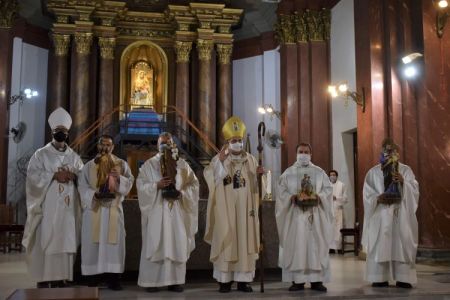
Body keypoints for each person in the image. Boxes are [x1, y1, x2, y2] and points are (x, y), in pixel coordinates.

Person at [22, 107, 84, 288]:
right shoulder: (40, 154)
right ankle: (44, 278)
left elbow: (82, 176)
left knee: (65, 239)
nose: (61, 134)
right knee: (47, 238)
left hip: (68, 208)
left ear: (68, 133)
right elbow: (32, 177)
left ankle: (61, 277)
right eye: (58, 131)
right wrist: (53, 176)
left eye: (64, 132)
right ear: (52, 132)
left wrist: (75, 176)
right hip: (47, 208)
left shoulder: (74, 157)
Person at [204, 116, 265, 293]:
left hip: (247, 211)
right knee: (227, 241)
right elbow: (212, 179)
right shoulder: (219, 160)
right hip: (226, 210)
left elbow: (263, 190)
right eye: (234, 141)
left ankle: (243, 281)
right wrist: (222, 161)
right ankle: (224, 281)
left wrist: (262, 176)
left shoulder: (252, 160)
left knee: (245, 243)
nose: (237, 143)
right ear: (227, 142)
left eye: (239, 140)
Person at [136, 132, 199, 292]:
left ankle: (175, 281)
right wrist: (156, 185)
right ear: (157, 145)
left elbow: (194, 185)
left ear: (174, 144)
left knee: (176, 243)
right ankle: (152, 282)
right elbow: (140, 185)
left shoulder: (182, 165)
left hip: (177, 212)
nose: (165, 145)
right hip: (157, 210)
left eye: (168, 142)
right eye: (162, 143)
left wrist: (182, 193)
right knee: (156, 243)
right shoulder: (149, 165)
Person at [79, 135, 134, 290]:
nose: (105, 147)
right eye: (102, 144)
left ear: (113, 147)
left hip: (113, 209)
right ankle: (92, 278)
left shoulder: (121, 164)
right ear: (98, 146)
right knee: (93, 245)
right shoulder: (89, 166)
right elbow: (82, 186)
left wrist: (119, 179)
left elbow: (129, 183)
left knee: (114, 246)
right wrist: (93, 195)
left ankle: (114, 279)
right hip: (95, 209)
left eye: (108, 145)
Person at [362, 138, 419, 288]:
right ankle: (379, 277)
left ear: (397, 153)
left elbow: (414, 190)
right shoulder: (373, 172)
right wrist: (377, 198)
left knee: (401, 243)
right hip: (381, 213)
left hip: (400, 214)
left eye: (392, 150)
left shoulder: (405, 170)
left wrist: (403, 182)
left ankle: (403, 277)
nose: (389, 153)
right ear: (381, 152)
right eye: (386, 150)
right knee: (381, 243)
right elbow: (367, 194)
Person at [276, 143, 333, 292]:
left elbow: (328, 190)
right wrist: (291, 197)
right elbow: (281, 193)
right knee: (298, 246)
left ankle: (317, 281)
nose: (303, 154)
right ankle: (298, 281)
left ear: (311, 154)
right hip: (296, 216)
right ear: (296, 154)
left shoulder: (319, 172)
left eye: (306, 152)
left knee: (316, 246)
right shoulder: (288, 173)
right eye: (300, 152)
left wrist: (319, 197)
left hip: (316, 216)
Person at [328, 169, 348, 253]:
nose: (332, 176)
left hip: (338, 210)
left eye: (334, 175)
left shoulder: (342, 185)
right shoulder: (326, 185)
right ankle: (331, 248)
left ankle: (339, 248)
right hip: (329, 211)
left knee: (338, 229)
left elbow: (345, 198)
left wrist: (337, 198)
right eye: (331, 175)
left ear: (336, 176)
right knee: (330, 229)